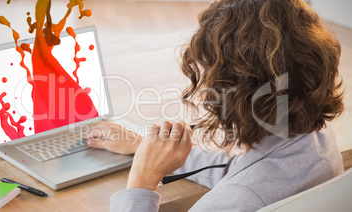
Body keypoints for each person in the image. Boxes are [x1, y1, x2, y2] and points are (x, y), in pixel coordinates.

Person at [84, 0, 344, 211]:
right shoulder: (318, 140)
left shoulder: (234, 202)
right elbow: (242, 172)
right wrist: (141, 146)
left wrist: (142, 179)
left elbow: (241, 190)